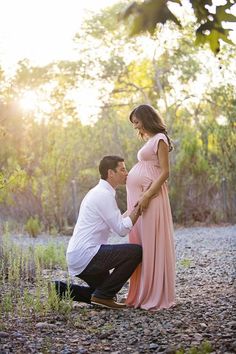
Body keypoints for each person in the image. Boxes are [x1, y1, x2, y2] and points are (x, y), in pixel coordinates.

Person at [54, 156, 142, 309]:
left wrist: (133, 209)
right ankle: (102, 296)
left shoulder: (100, 192)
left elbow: (118, 222)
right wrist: (140, 208)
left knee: (105, 293)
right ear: (111, 173)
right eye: (122, 169)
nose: (126, 173)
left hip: (79, 254)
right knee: (135, 252)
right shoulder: (103, 195)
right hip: (87, 254)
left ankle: (59, 289)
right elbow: (121, 230)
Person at [125, 104, 176, 310]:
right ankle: (142, 292)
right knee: (140, 242)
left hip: (151, 198)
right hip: (141, 196)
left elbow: (165, 172)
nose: (136, 127)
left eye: (137, 122)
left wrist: (146, 195)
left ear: (146, 119)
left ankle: (155, 293)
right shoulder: (150, 140)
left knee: (151, 242)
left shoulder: (160, 139)